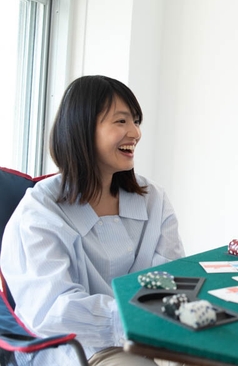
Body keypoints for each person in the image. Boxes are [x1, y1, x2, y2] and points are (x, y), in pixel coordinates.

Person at [0, 75, 185, 365]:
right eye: (121, 121)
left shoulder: (154, 199)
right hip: (75, 348)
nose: (135, 132)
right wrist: (136, 321)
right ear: (82, 129)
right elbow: (55, 311)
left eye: (136, 121)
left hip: (152, 337)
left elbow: (171, 278)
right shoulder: (39, 212)